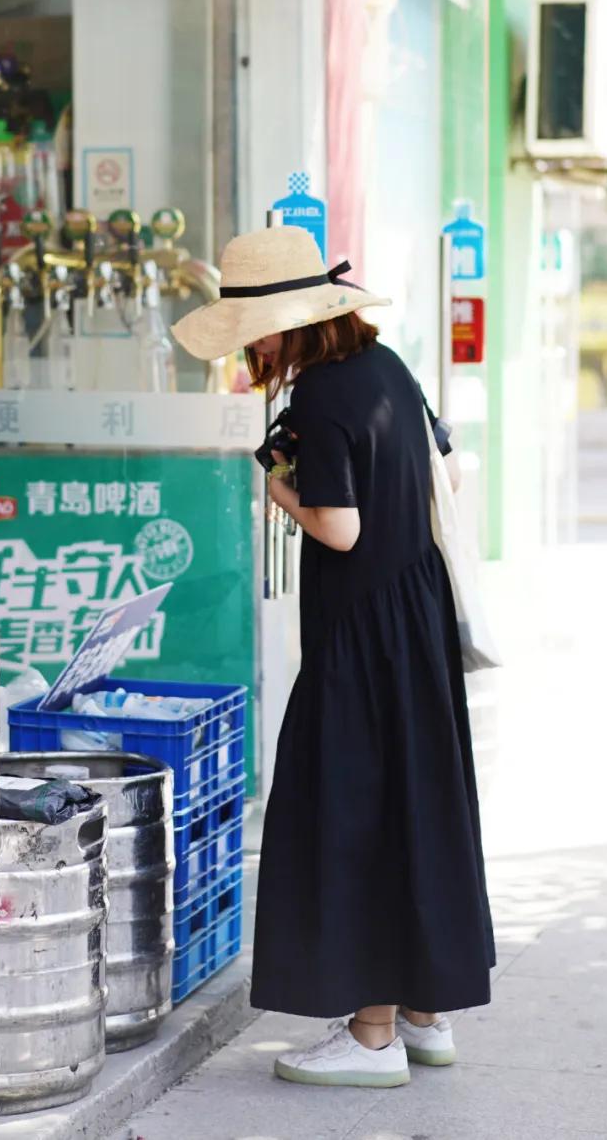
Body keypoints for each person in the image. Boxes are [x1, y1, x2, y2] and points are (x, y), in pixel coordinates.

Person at [173, 225, 494, 1090]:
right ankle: (425, 1014)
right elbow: (449, 475)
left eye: (255, 337)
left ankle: (371, 1033)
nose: (254, 354)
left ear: (284, 328)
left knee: (355, 811)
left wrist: (282, 489)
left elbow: (340, 529)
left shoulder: (317, 397)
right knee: (416, 804)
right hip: (417, 622)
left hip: (358, 636)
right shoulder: (388, 367)